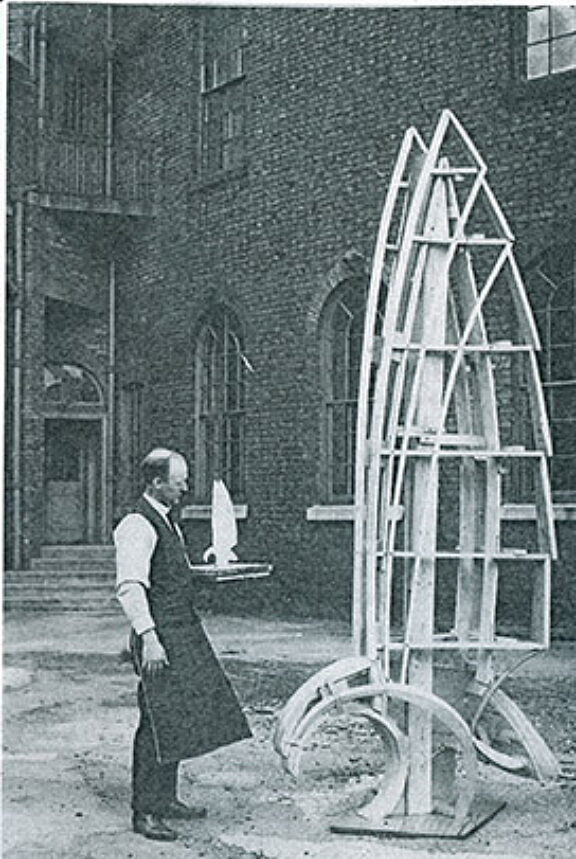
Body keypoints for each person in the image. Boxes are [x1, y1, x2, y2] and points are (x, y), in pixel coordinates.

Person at [114, 448, 252, 841]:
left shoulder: (166, 520)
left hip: (181, 631)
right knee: (157, 720)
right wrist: (148, 638)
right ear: (157, 482)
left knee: (178, 714)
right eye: (180, 481)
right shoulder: (138, 525)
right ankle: (145, 812)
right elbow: (130, 587)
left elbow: (169, 575)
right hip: (161, 636)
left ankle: (167, 797)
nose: (186, 487)